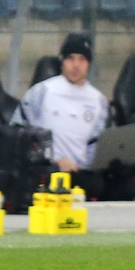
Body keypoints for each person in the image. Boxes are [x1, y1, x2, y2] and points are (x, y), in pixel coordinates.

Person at [11, 33, 110, 199]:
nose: (76, 65)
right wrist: (53, 161)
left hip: (82, 173)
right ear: (62, 61)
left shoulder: (99, 100)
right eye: (70, 58)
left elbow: (98, 145)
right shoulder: (42, 92)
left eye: (82, 59)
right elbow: (17, 134)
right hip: (47, 170)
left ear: (89, 64)